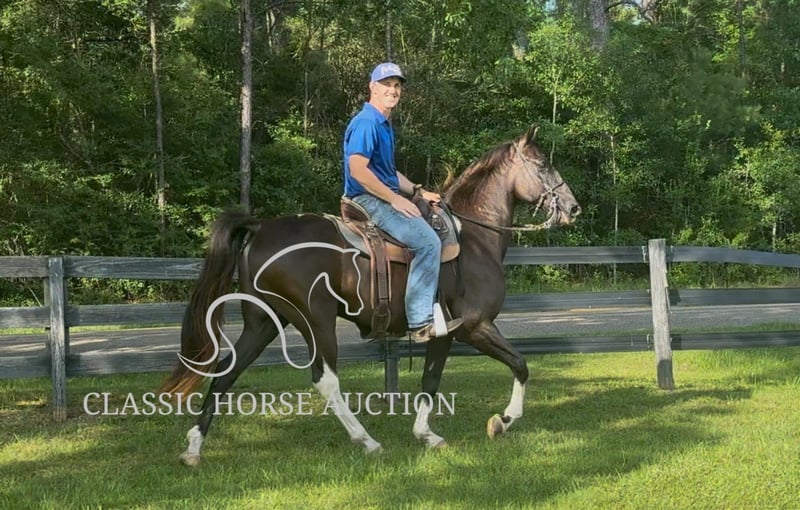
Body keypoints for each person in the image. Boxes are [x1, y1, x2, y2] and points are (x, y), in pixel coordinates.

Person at [342, 62, 462, 343]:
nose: (393, 90)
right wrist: (395, 199)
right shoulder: (367, 122)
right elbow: (358, 170)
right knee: (428, 242)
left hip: (380, 196)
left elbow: (389, 172)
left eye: (397, 86)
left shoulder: (384, 125)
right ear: (372, 87)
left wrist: (418, 191)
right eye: (387, 85)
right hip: (368, 200)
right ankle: (420, 322)